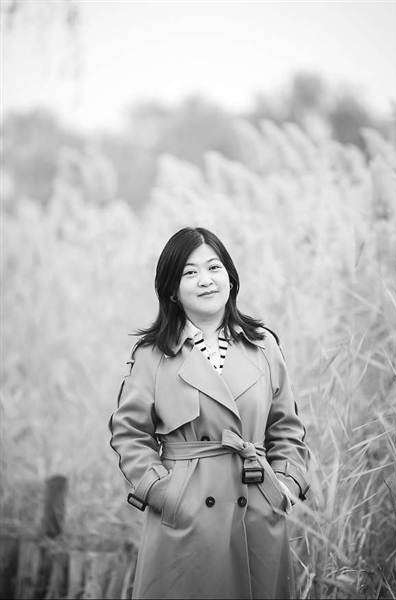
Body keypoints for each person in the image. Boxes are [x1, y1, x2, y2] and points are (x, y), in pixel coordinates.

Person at [109, 226, 310, 600]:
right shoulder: (153, 354)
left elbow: (286, 428)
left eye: (214, 268)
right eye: (190, 272)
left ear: (230, 278)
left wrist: (283, 486)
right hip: (184, 521)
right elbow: (129, 433)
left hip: (256, 510)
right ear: (173, 289)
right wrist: (165, 493)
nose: (206, 280)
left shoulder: (263, 346)